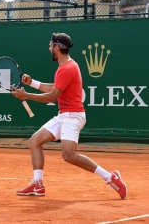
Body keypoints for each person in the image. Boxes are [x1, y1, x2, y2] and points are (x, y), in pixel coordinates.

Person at [11, 32, 127, 199]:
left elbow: (53, 96)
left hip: (73, 116)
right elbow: (56, 87)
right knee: (35, 141)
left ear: (57, 48)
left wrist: (26, 95)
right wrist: (32, 84)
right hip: (64, 115)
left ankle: (110, 177)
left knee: (68, 155)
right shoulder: (66, 66)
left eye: (51, 46)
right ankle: (37, 185)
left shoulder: (67, 68)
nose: (49, 48)